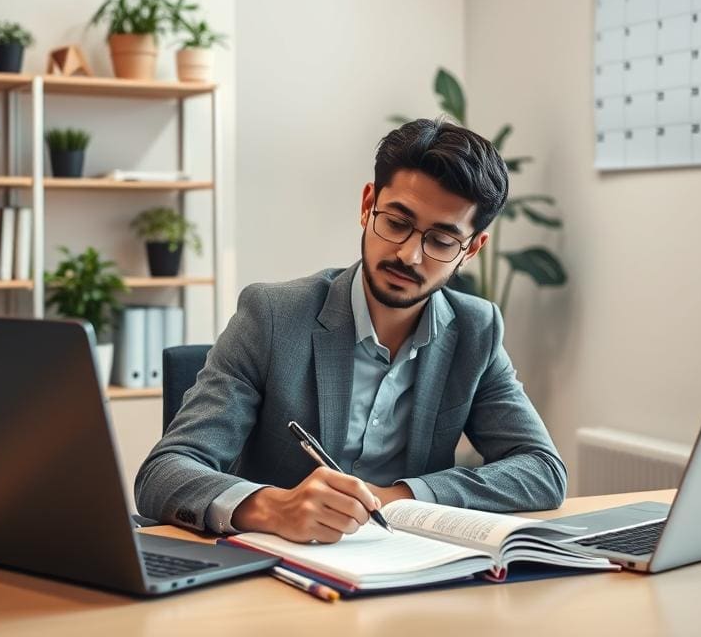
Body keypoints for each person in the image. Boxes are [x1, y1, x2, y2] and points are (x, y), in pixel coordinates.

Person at [135, 118, 567, 543]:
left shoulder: (477, 329)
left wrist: (399, 497)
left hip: (406, 570)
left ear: (471, 249)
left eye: (440, 241)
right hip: (277, 574)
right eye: (397, 223)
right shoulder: (272, 315)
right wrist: (273, 507)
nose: (409, 255)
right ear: (367, 204)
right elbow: (163, 472)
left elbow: (542, 470)